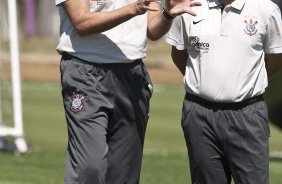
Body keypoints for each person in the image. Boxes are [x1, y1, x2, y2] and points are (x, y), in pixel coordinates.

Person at [54, 0, 201, 183]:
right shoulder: (133, 9)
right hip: (86, 72)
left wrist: (167, 14)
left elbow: (152, 29)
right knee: (89, 169)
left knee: (124, 175)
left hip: (132, 74)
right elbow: (82, 22)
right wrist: (132, 9)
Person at [166, 0, 282, 183]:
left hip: (247, 114)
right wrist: (204, 82)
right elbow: (178, 54)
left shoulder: (266, 8)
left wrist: (241, 83)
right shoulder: (190, 5)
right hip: (199, 115)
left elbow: (275, 59)